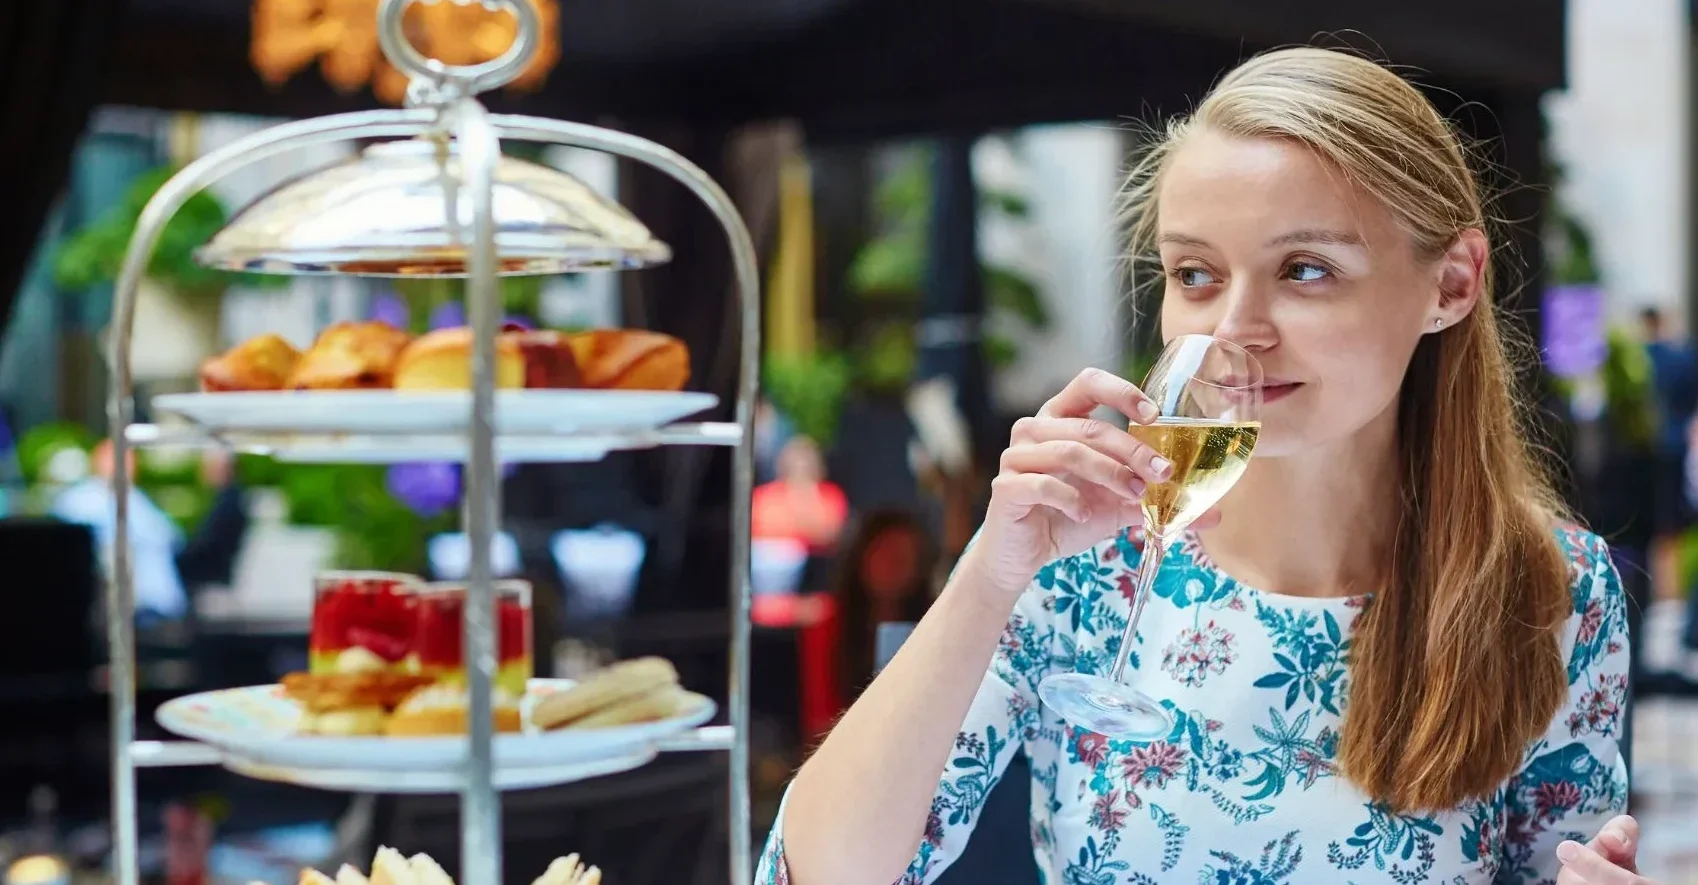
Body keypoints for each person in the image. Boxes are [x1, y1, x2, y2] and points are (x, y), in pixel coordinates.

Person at [759, 47, 1635, 885]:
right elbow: (820, 875)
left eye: (1305, 269)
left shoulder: (1550, 590)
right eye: (1196, 273)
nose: (1235, 327)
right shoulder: (1077, 566)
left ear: (1451, 284)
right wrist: (990, 574)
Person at [751, 436, 849, 555]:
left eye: (805, 465)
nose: (800, 469)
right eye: (795, 464)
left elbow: (831, 532)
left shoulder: (832, 496)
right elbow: (757, 530)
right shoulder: (764, 496)